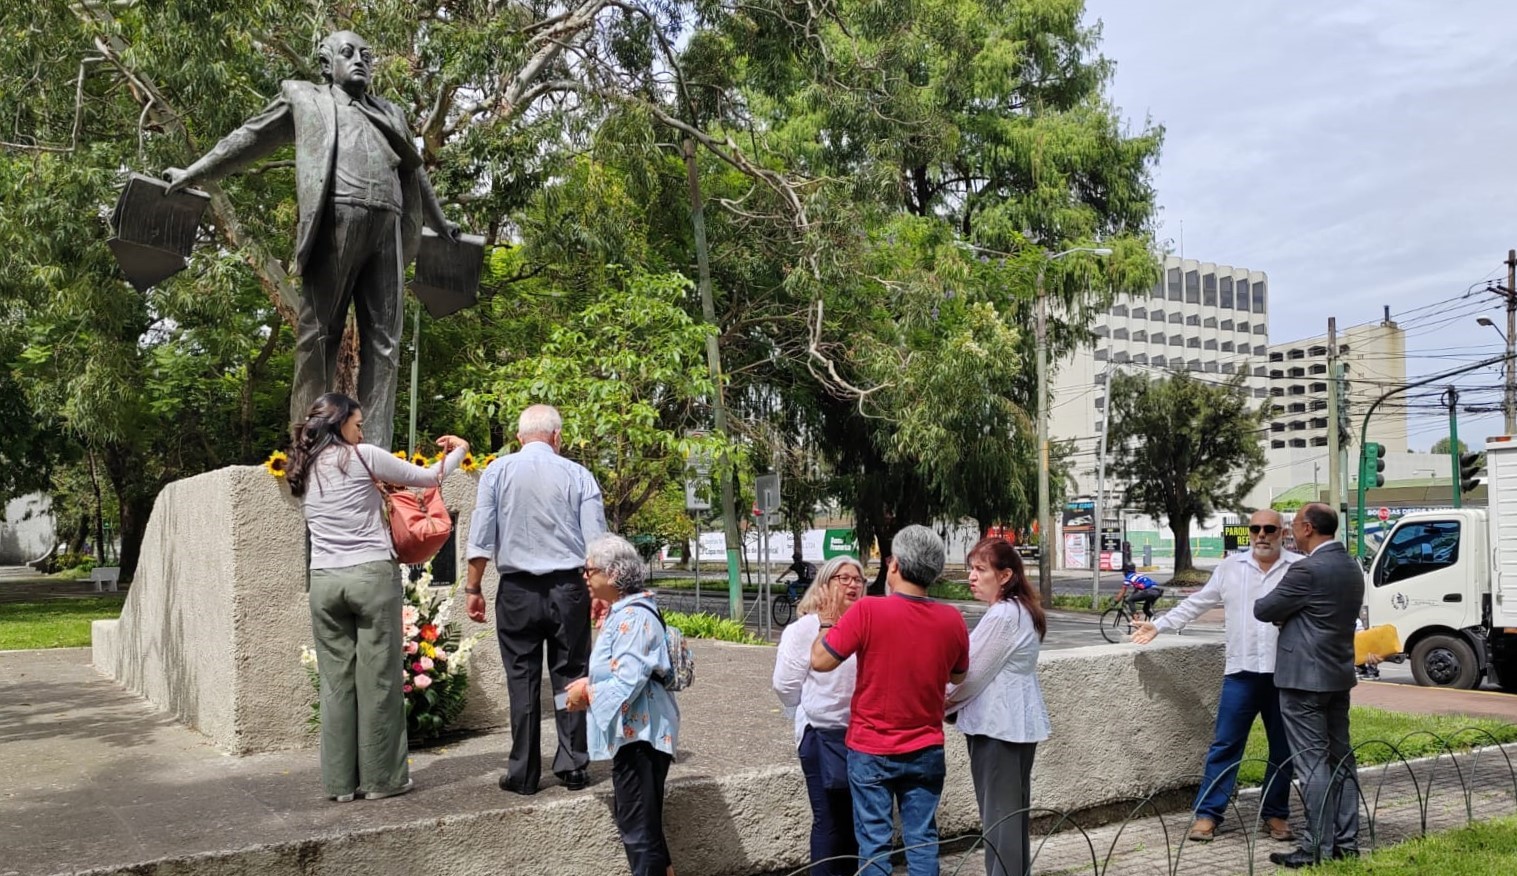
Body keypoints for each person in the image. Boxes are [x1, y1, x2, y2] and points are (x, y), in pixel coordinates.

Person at [164, 31, 459, 451]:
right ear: (326, 65)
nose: (360, 60)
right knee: (320, 333)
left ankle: (373, 449)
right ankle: (309, 445)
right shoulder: (302, 97)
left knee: (385, 342)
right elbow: (248, 137)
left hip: (388, 227)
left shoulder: (391, 112)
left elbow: (414, 171)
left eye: (366, 55)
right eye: (348, 53)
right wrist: (194, 173)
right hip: (336, 219)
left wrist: (441, 222)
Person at [284, 392, 467, 801]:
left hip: (324, 581)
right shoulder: (363, 455)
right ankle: (383, 780)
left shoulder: (303, 464)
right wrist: (461, 451)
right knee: (379, 680)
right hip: (369, 574)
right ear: (340, 424)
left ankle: (339, 785)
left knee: (335, 684)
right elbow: (430, 478)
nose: (361, 430)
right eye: (357, 423)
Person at [1130, 509, 1302, 843]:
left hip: (1284, 675)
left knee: (1284, 749)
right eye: (1255, 529)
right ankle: (1208, 814)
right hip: (1241, 673)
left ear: (1282, 533)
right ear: (1249, 533)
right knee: (1225, 746)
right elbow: (1196, 604)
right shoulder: (1230, 569)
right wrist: (1159, 625)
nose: (1262, 535)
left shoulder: (1298, 569)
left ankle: (1276, 814)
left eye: (1269, 529)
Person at [810, 525, 970, 876]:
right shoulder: (952, 620)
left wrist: (825, 622)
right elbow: (958, 676)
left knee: (874, 844)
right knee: (923, 840)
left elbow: (820, 661)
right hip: (927, 748)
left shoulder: (868, 611)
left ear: (894, 565)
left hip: (871, 749)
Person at [464, 404, 606, 795]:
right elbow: (597, 544)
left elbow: (481, 536)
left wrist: (473, 588)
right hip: (569, 589)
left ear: (519, 436)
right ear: (557, 438)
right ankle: (574, 764)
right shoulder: (579, 475)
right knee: (571, 673)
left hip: (516, 591)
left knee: (522, 679)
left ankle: (523, 773)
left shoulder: (497, 471)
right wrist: (598, 593)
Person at [1254, 503, 1364, 868]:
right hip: (1337, 675)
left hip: (1303, 680)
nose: (1289, 533)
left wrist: (1289, 615)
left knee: (1312, 763)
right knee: (1341, 759)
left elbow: (1265, 609)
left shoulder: (1306, 570)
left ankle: (1316, 846)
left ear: (1307, 528)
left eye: (1294, 525)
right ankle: (1346, 843)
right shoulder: (1351, 566)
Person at [565, 534, 680, 876]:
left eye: (589, 570)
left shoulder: (634, 618)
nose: (585, 576)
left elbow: (629, 678)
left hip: (642, 737)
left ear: (613, 573)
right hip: (637, 734)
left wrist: (586, 693)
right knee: (645, 828)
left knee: (638, 831)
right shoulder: (627, 613)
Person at [945, 537, 1049, 876]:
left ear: (1004, 576)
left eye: (980, 569)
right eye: (970, 569)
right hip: (1014, 725)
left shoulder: (1003, 615)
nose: (972, 577)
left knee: (999, 821)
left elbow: (970, 675)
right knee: (1011, 818)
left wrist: (938, 702)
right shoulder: (1021, 609)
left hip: (996, 728)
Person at [772, 556, 868, 875]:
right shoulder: (804, 629)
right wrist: (811, 706)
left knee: (858, 821)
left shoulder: (866, 625)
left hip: (861, 736)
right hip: (821, 734)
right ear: (825, 585)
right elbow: (785, 685)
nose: (853, 584)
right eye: (844, 578)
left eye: (859, 579)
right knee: (829, 819)